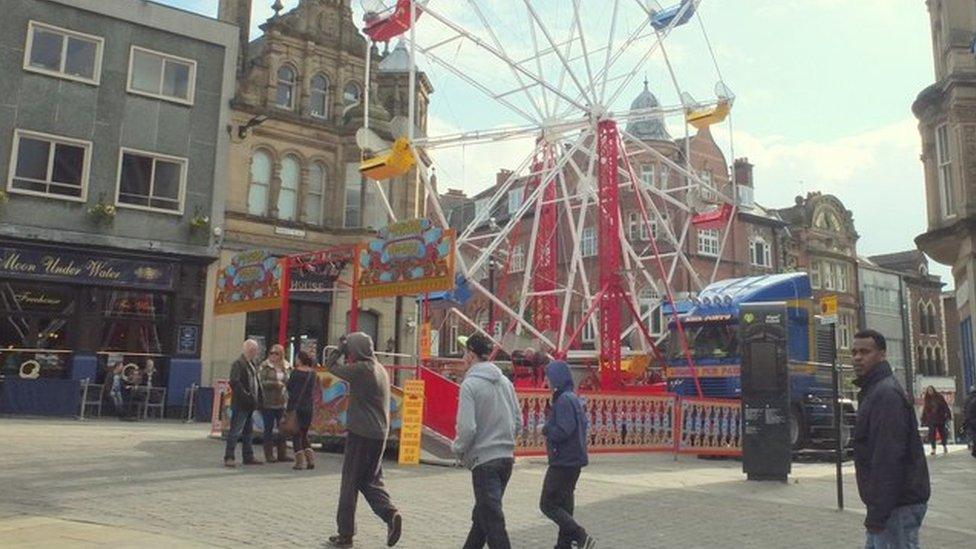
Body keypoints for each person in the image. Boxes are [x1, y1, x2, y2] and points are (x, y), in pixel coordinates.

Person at [851, 330, 930, 549]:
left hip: (897, 505)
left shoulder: (885, 395)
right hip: (889, 504)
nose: (858, 357)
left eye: (865, 351)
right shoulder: (875, 390)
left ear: (882, 355)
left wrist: (878, 514)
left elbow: (888, 457)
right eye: (855, 352)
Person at [323, 333, 402, 548]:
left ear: (355, 350)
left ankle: (345, 533)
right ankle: (390, 515)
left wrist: (339, 347)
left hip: (361, 433)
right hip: (379, 434)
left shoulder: (362, 370)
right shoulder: (380, 369)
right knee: (370, 479)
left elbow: (329, 365)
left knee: (350, 482)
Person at [452, 333, 521, 549]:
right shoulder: (505, 382)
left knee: (493, 523)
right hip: (505, 459)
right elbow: (518, 420)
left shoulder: (470, 385)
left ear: (472, 355)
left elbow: (467, 428)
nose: (463, 357)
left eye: (465, 353)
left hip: (484, 461)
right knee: (483, 516)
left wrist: (458, 449)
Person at [540, 360, 596, 549]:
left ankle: (580, 536)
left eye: (548, 376)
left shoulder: (563, 399)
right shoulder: (572, 397)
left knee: (547, 504)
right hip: (575, 459)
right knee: (564, 505)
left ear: (556, 377)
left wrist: (545, 429)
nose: (546, 380)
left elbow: (564, 430)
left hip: (563, 460)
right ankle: (563, 545)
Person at [224, 339, 265, 468]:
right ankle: (229, 457)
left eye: (255, 350)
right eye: (252, 350)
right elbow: (234, 382)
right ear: (246, 349)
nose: (255, 352)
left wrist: (259, 398)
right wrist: (246, 396)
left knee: (248, 432)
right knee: (235, 431)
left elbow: (256, 383)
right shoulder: (238, 364)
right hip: (241, 404)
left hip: (250, 404)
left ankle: (248, 456)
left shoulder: (252, 364)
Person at [259, 344, 291, 463]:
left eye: (276, 353)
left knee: (282, 428)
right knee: (268, 428)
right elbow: (261, 382)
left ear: (281, 354)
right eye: (271, 353)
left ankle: (282, 453)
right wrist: (274, 384)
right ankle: (269, 454)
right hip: (268, 401)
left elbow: (289, 381)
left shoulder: (286, 366)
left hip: (282, 401)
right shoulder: (265, 366)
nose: (273, 355)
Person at [286, 350, 317, 470]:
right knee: (304, 434)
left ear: (300, 359)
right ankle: (311, 459)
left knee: (296, 434)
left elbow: (289, 387)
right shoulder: (312, 374)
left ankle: (300, 462)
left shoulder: (295, 373)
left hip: (295, 406)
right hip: (308, 406)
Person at [920, 385, 951, 456]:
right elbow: (925, 410)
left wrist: (948, 415)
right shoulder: (927, 399)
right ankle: (933, 449)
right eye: (929, 390)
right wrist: (923, 419)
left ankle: (944, 446)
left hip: (940, 418)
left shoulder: (939, 397)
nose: (930, 392)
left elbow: (945, 406)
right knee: (932, 434)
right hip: (931, 419)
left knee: (942, 433)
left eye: (931, 390)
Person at [965, 385, 976, 458]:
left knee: (973, 436)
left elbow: (967, 411)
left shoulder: (968, 399)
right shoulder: (973, 400)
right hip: (973, 420)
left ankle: (973, 449)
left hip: (971, 420)